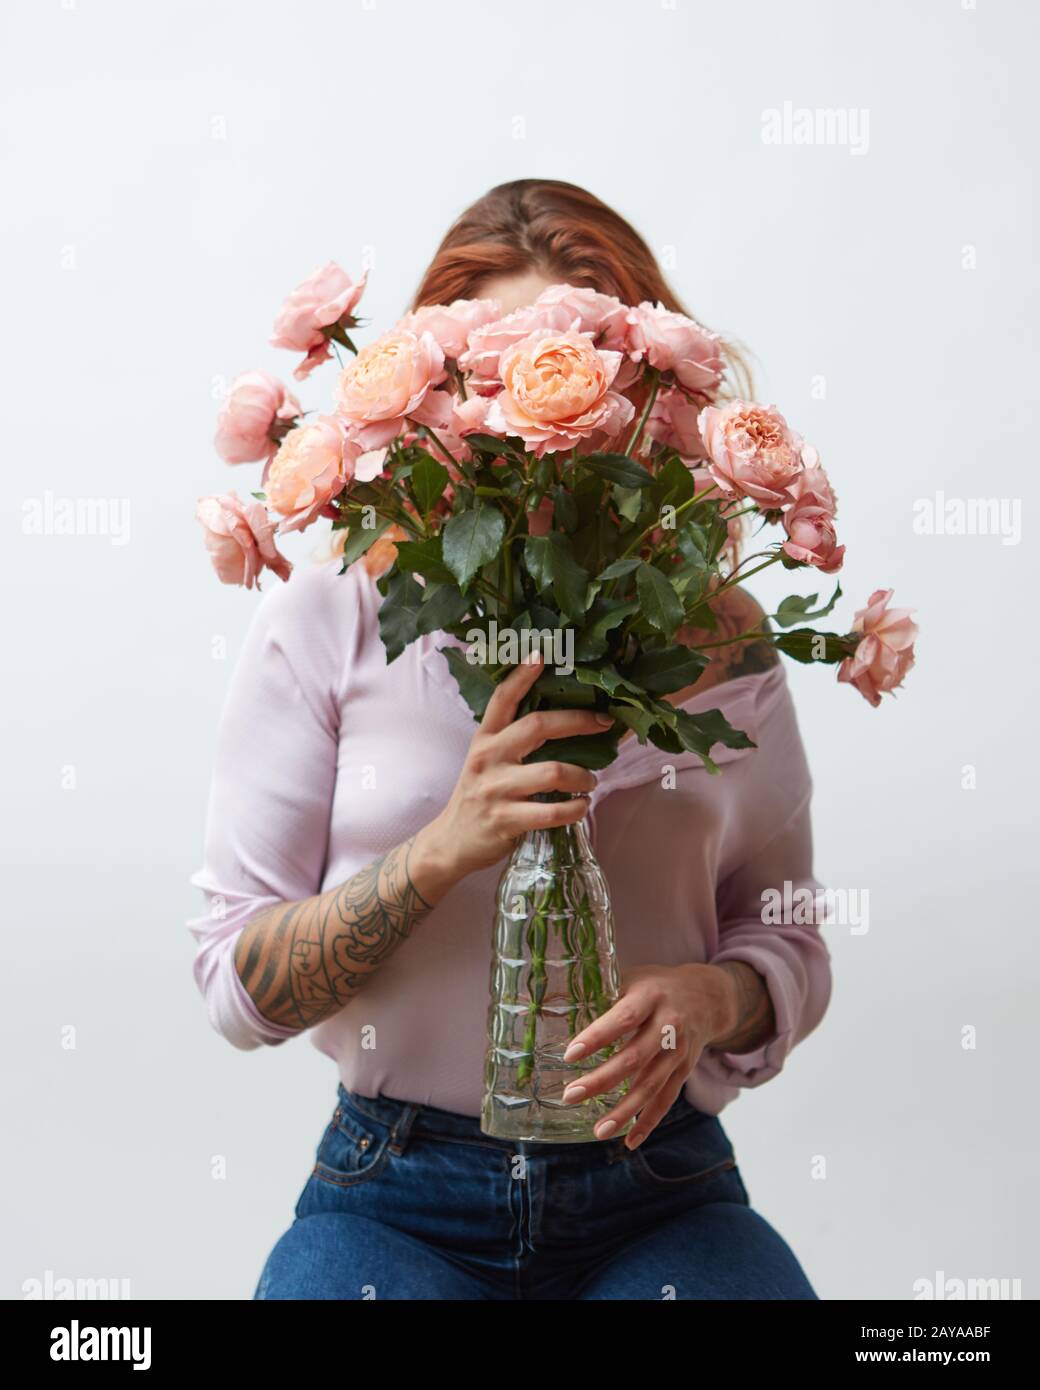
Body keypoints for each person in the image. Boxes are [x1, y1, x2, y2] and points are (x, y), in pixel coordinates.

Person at [188, 179, 832, 1300]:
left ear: (647, 399)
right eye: (490, 375)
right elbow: (235, 982)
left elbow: (786, 938)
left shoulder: (722, 634)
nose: (533, 407)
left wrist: (707, 999)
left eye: (589, 364)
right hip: (393, 1193)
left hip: (659, 1188)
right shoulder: (333, 608)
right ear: (429, 396)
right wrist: (439, 849)